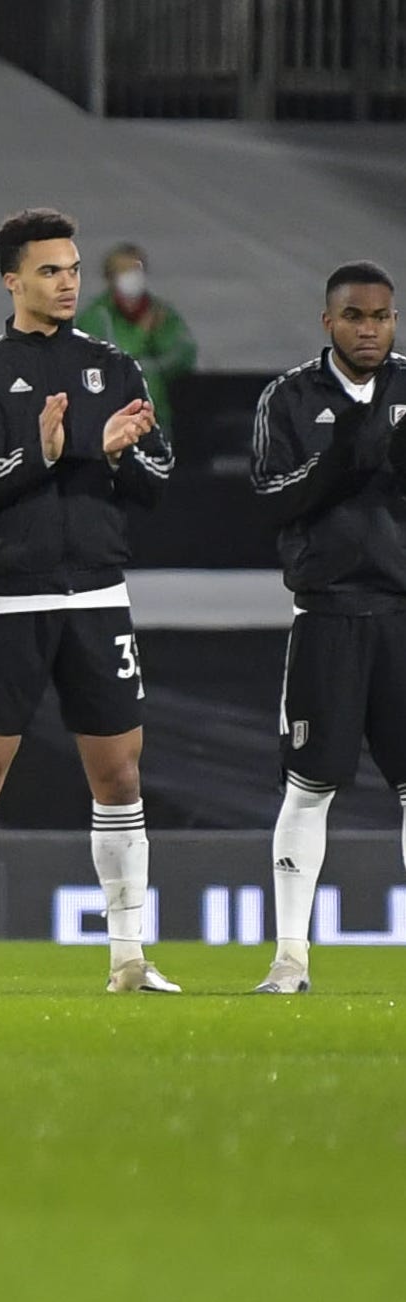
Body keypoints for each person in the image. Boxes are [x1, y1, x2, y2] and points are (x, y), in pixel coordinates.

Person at [0, 208, 176, 994]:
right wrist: (46, 453)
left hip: (99, 593)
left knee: (121, 776)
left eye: (72, 269)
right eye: (49, 270)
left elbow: (157, 479)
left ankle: (129, 956)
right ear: (13, 281)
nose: (68, 283)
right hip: (13, 595)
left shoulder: (116, 366)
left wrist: (123, 454)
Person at [247, 260, 406, 995]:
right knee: (309, 787)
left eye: (382, 316)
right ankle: (290, 957)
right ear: (328, 322)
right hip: (328, 616)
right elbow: (270, 499)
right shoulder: (289, 397)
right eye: (355, 316)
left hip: (401, 615)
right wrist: (342, 459)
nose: (370, 329)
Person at [75, 243, 196, 434]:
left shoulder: (160, 311)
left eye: (136, 269)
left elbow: (185, 352)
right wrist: (142, 332)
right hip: (110, 421)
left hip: (155, 418)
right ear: (110, 277)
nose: (132, 276)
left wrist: (156, 364)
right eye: (123, 271)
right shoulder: (96, 317)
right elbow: (113, 360)